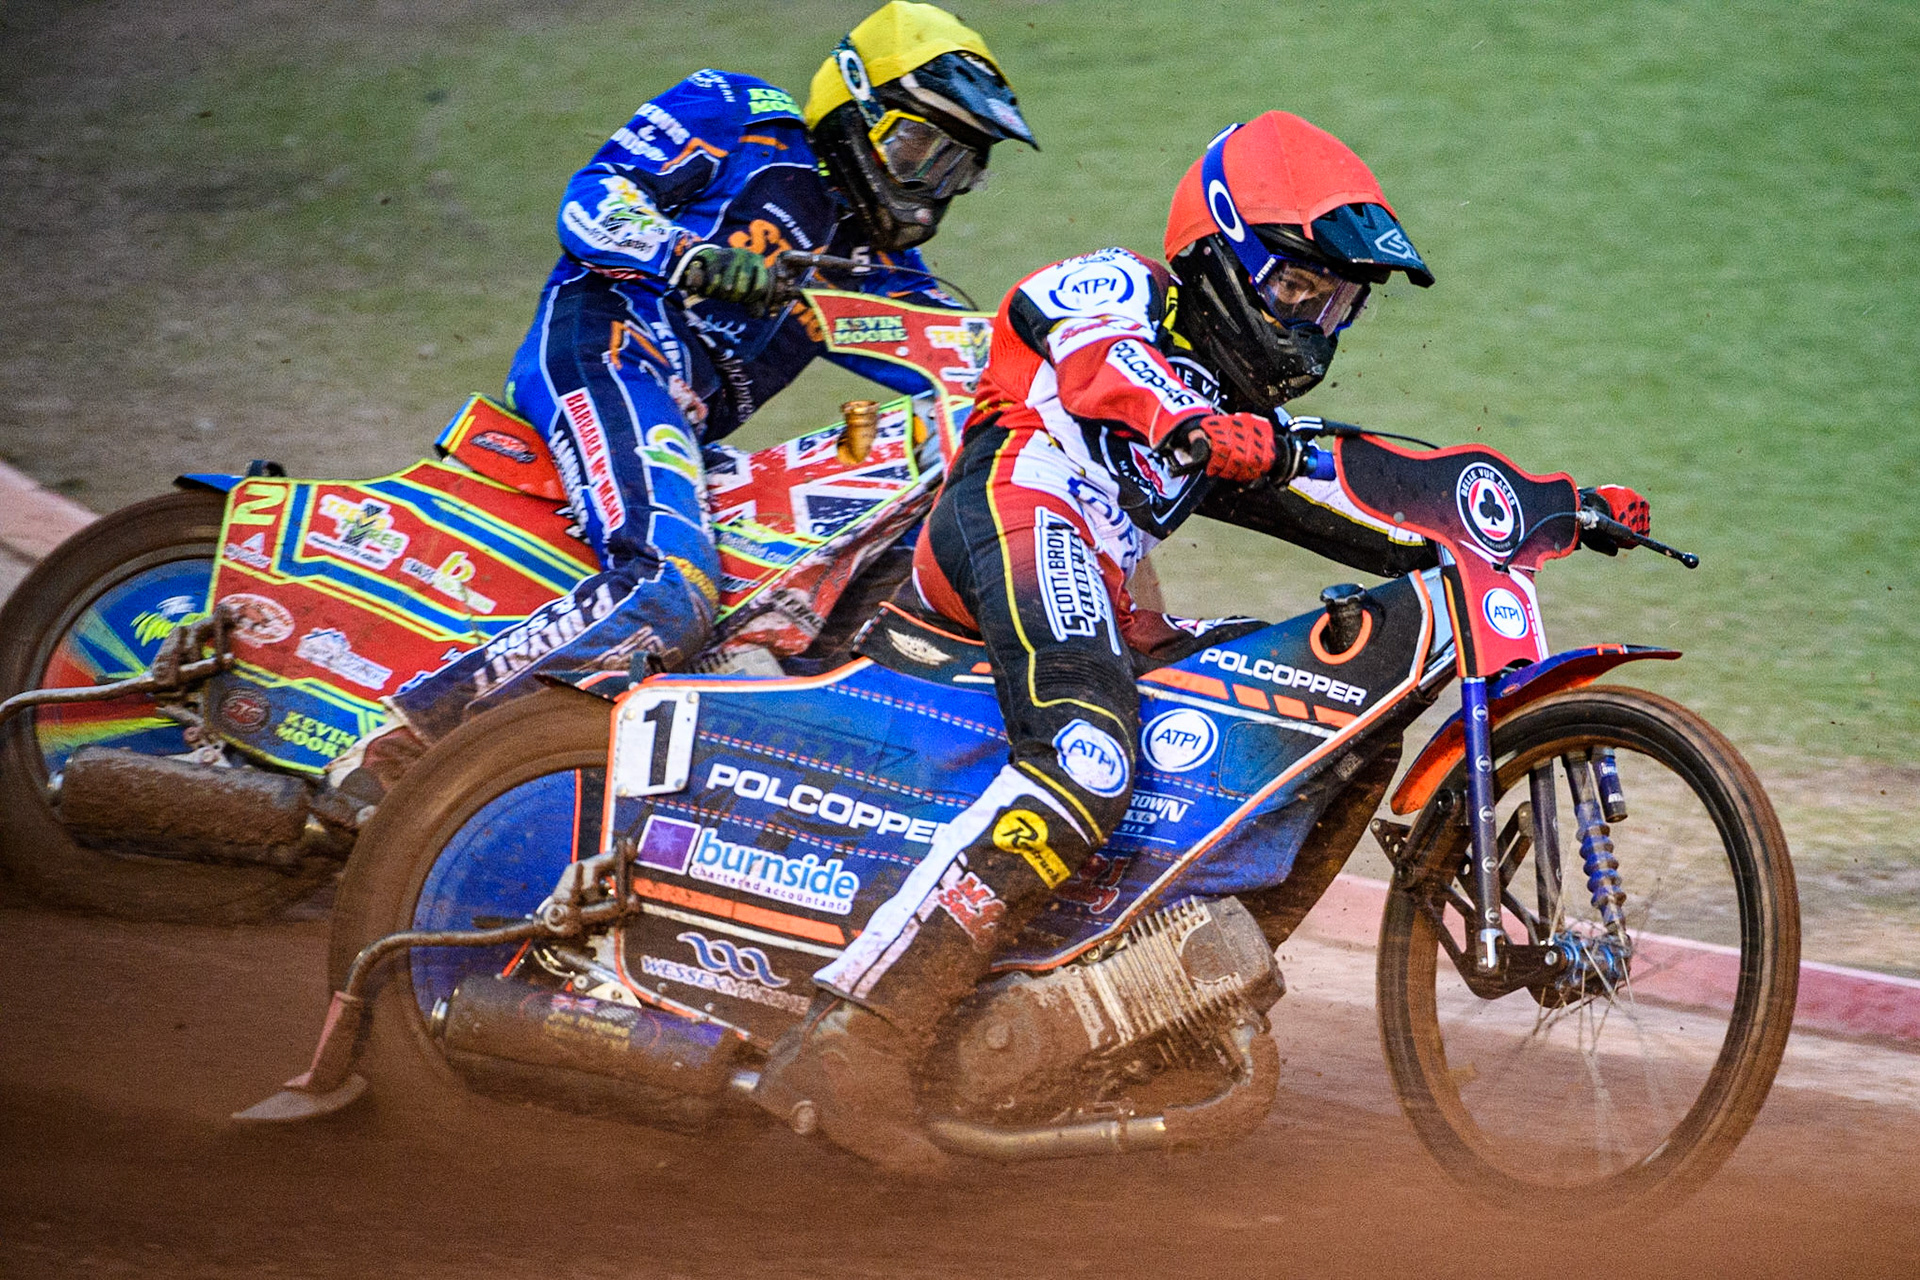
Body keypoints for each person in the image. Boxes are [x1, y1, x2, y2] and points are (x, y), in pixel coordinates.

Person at [752, 110, 1651, 1175]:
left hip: (1101, 584)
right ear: (1223, 255)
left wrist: (1554, 508)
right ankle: (857, 1036)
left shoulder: (1237, 410)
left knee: (1331, 720)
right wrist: (1187, 422)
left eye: (1338, 303)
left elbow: (1367, 485)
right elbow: (1101, 359)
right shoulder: (1117, 287)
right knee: (1087, 757)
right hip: (1013, 511)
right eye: (1298, 288)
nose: (1315, 323)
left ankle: (1151, 1001)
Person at [358, 2, 1035, 763]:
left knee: (837, 553)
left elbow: (975, 361)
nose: (934, 184)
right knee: (670, 587)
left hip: (681, 432)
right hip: (606, 351)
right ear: (856, 106)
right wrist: (684, 255)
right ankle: (401, 751)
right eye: (919, 148)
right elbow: (591, 199)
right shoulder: (741, 114)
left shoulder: (880, 272)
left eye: (959, 166)